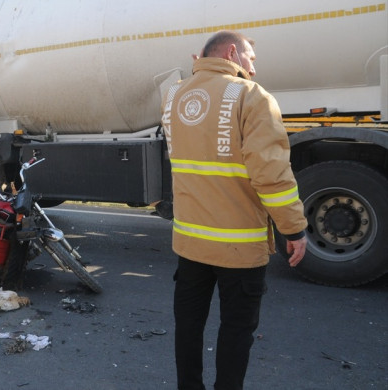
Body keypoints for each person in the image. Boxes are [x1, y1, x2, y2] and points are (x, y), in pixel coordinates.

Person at [160, 31, 308, 390]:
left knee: (189, 326)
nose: (254, 70)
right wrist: (294, 229)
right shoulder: (252, 97)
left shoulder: (175, 96)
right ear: (232, 52)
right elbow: (271, 175)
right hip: (239, 249)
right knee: (236, 331)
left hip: (190, 243)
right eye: (251, 59)